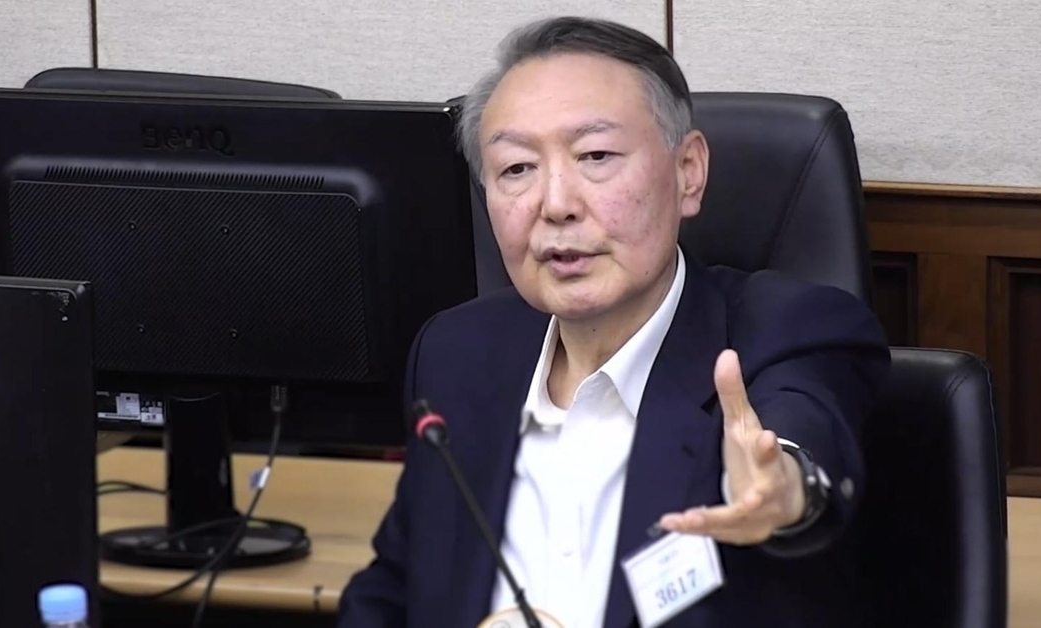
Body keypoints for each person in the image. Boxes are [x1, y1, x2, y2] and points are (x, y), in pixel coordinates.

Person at [338, 15, 890, 628]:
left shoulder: (790, 331)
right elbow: (395, 587)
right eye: (517, 168)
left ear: (688, 172)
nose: (555, 204)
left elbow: (800, 433)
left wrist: (785, 487)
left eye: (595, 156)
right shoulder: (455, 353)